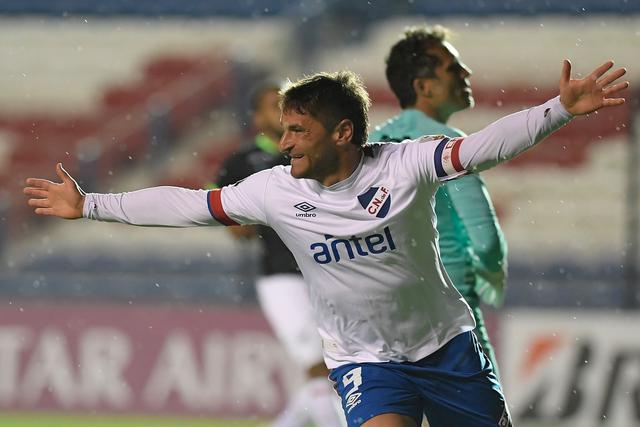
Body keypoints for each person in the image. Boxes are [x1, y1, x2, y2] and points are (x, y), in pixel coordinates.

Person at [24, 60, 627, 427]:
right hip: (365, 359)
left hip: (446, 345)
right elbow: (189, 205)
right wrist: (92, 205)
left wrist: (558, 110)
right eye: (282, 129)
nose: (283, 144)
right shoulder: (274, 190)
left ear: (343, 132)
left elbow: (484, 147)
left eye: (296, 130)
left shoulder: (404, 166)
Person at [370, 25, 507, 377]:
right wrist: (493, 270)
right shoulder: (448, 144)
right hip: (450, 308)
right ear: (423, 86)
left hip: (387, 314)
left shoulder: (370, 145)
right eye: (453, 68)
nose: (466, 73)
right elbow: (485, 238)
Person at [215, 82, 344, 427]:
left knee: (336, 370)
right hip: (283, 276)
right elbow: (237, 230)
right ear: (257, 117)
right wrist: (260, 210)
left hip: (329, 271)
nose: (283, 111)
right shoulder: (242, 163)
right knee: (318, 367)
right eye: (274, 106)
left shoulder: (313, 154)